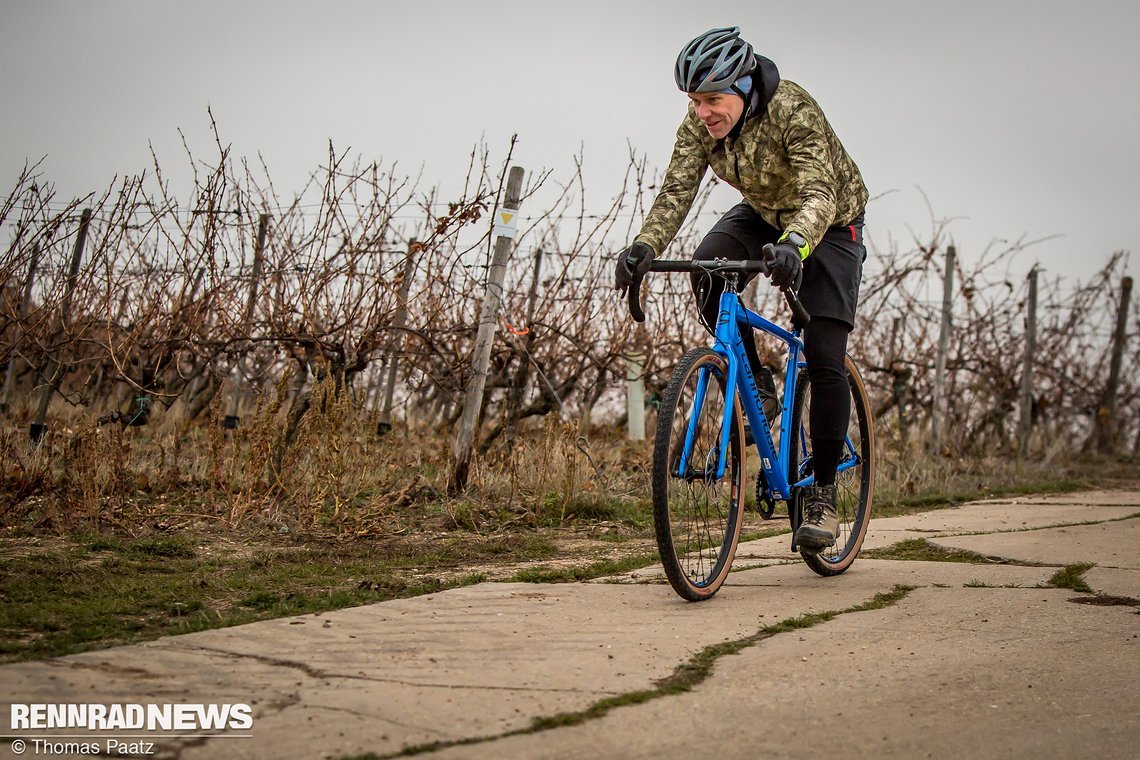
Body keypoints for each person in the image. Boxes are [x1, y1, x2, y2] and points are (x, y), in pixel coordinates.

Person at [614, 26, 868, 553]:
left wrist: (796, 244)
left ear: (745, 85)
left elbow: (820, 190)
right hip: (764, 213)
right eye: (694, 101)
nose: (703, 113)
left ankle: (822, 493)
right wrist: (643, 245)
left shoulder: (793, 109)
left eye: (712, 100)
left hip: (828, 221)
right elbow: (676, 190)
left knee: (823, 352)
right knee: (707, 266)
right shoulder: (700, 125)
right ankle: (756, 384)